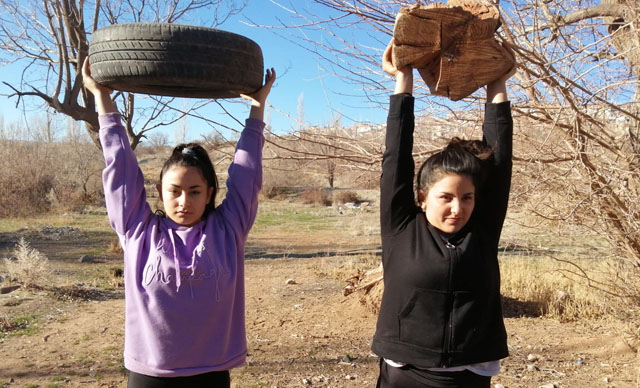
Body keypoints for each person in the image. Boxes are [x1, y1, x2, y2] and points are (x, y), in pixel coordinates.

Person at [82, 58, 276, 388]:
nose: (184, 201)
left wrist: (257, 111)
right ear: (160, 192)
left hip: (211, 373)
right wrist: (103, 99)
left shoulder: (228, 230)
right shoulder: (138, 229)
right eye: (174, 191)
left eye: (194, 191)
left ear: (209, 193)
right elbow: (120, 170)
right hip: (150, 374)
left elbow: (247, 175)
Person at [372, 41, 516, 388]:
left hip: (469, 372)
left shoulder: (480, 230)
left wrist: (497, 82)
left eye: (467, 198)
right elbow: (396, 158)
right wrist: (402, 80)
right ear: (422, 197)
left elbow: (499, 162)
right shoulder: (402, 227)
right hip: (406, 371)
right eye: (446, 197)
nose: (459, 207)